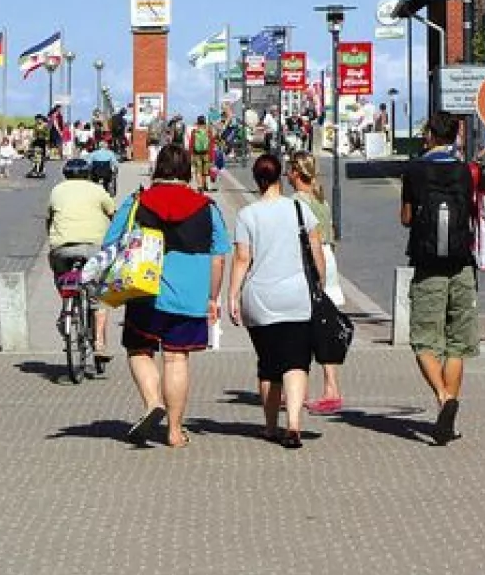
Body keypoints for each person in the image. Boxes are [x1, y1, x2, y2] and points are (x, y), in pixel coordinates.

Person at [102, 143, 230, 448]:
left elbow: (110, 241)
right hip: (190, 296)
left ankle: (152, 402)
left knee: (139, 350)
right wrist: (213, 298)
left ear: (159, 169)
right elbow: (219, 257)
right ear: (187, 170)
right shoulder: (207, 207)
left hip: (146, 292)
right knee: (176, 358)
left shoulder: (137, 202)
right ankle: (174, 431)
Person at [227, 154, 326, 449]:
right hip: (296, 296)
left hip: (260, 297)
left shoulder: (247, 215)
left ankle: (270, 427)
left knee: (269, 365)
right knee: (296, 362)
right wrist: (321, 283)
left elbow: (242, 259)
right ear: (280, 176)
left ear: (256, 180)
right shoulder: (299, 209)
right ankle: (293, 425)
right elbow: (316, 249)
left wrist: (232, 295)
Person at [399, 113, 479, 445]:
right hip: (461, 264)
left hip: (428, 265)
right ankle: (447, 420)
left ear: (430, 135)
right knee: (457, 344)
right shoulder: (464, 170)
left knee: (423, 340)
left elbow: (405, 219)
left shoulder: (415, 169)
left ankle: (445, 400)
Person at [287, 151, 346, 415]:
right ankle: (330, 386)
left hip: (311, 262)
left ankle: (307, 389)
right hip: (328, 258)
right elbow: (331, 236)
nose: (286, 175)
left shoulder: (296, 202)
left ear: (297, 173)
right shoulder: (320, 200)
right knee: (326, 324)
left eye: (289, 170)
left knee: (304, 327)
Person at [48, 158, 119, 361]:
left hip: (62, 248)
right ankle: (99, 344)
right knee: (98, 295)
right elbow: (113, 212)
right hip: (93, 248)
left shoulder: (56, 191)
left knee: (60, 272)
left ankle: (66, 306)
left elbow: (49, 218)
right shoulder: (97, 190)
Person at [188, 115, 215, 193]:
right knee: (205, 171)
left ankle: (200, 186)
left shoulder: (194, 131)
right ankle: (204, 185)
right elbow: (211, 144)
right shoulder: (208, 131)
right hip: (206, 154)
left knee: (198, 170)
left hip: (196, 154)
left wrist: (190, 154)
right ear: (204, 122)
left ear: (197, 122)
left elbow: (191, 143)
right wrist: (212, 156)